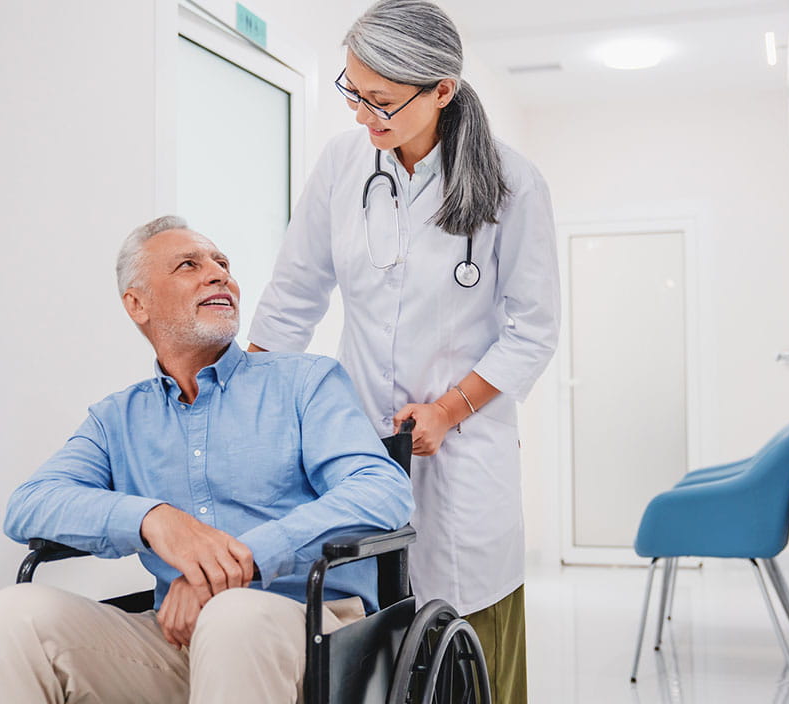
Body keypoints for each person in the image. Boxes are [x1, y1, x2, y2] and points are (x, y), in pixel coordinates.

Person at [0, 216, 414, 704]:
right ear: (137, 304)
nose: (218, 274)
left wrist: (245, 560)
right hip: (177, 639)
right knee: (13, 615)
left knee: (232, 613)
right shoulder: (117, 419)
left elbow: (382, 489)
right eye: (188, 265)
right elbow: (29, 504)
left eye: (221, 263)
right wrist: (154, 520)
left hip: (309, 632)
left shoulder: (305, 382)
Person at [247, 2, 561, 700]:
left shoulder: (514, 183)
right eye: (352, 91)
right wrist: (246, 400)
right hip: (357, 450)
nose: (362, 114)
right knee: (370, 644)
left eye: (380, 101)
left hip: (462, 455)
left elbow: (532, 331)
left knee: (464, 641)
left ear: (441, 91)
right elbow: (295, 294)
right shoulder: (342, 163)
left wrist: (451, 410)